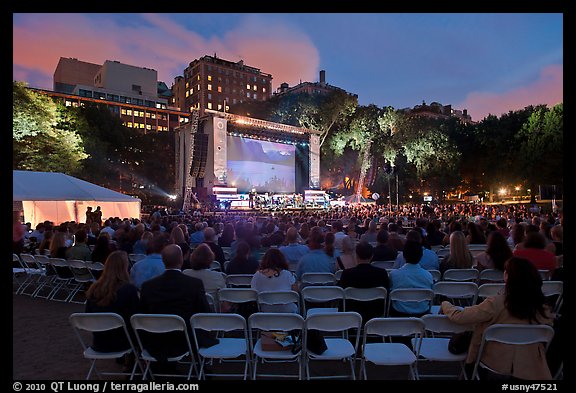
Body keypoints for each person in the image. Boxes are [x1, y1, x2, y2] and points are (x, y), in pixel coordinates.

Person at [441, 257, 554, 380]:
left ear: (507, 276)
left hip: (495, 362)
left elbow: (460, 317)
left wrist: (446, 305)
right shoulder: (543, 308)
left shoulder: (496, 303)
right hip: (532, 366)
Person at [139, 244, 217, 366]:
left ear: (163, 261)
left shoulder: (148, 286)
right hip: (186, 341)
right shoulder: (193, 284)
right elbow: (204, 313)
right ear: (182, 260)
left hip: (156, 341)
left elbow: (142, 315)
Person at [85, 251, 139, 353]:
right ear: (124, 267)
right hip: (124, 343)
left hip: (100, 342)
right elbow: (135, 318)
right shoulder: (128, 290)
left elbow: (88, 315)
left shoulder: (94, 289)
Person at [338, 241, 390, 322]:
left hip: (352, 312)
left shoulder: (347, 274)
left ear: (356, 256)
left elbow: (341, 296)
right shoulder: (382, 273)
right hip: (376, 312)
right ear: (372, 256)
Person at [388, 239, 434, 317]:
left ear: (404, 256)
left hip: (398, 314)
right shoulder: (428, 276)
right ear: (421, 256)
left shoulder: (394, 275)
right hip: (422, 314)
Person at [251, 248, 298, 313]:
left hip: (265, 310)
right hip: (288, 311)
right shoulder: (288, 274)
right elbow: (295, 294)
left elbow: (253, 294)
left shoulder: (257, 275)